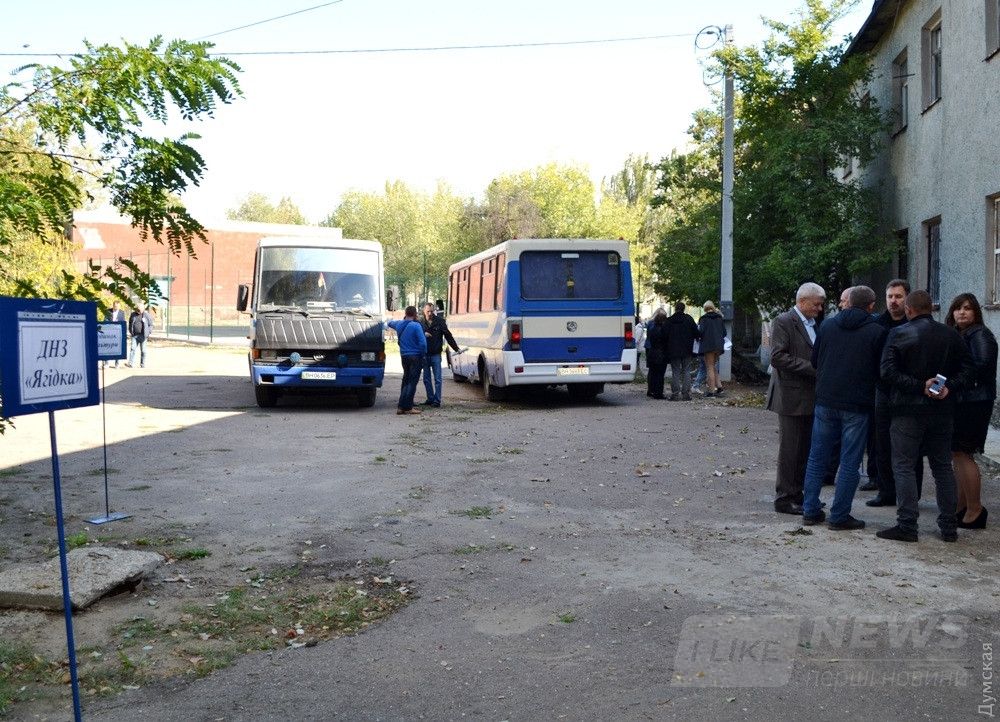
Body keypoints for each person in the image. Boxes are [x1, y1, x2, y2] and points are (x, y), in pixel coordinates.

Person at [876, 290, 974, 543]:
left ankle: (907, 525)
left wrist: (920, 386)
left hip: (906, 410)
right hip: (941, 410)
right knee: (942, 467)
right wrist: (948, 387)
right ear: (931, 308)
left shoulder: (898, 333)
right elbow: (968, 370)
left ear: (908, 310)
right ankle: (949, 526)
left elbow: (887, 372)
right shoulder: (951, 335)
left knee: (904, 466)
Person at [801, 286, 887, 529]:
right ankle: (839, 516)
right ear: (871, 306)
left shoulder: (827, 326)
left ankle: (810, 510)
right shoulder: (877, 332)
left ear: (848, 302)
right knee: (850, 461)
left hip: (826, 400)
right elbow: (882, 370)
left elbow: (815, 361)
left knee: (817, 457)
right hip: (857, 404)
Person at [767, 282, 826, 515]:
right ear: (802, 302)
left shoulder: (812, 323)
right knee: (790, 450)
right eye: (816, 304)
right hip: (790, 396)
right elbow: (777, 357)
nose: (819, 309)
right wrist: (813, 368)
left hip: (808, 395)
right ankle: (784, 497)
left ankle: (798, 494)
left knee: (804, 449)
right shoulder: (784, 321)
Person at [866, 279, 920, 508]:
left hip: (909, 391)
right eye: (890, 297)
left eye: (898, 296)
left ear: (907, 298)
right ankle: (886, 491)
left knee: (911, 444)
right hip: (883, 391)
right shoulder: (877, 325)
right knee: (882, 442)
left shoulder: (916, 325)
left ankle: (912, 493)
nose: (893, 301)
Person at [946, 293, 997, 529]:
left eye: (967, 308)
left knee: (964, 453)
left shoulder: (980, 334)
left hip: (974, 402)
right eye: (958, 308)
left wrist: (953, 379)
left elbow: (981, 365)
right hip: (963, 400)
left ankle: (975, 509)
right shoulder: (961, 334)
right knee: (957, 454)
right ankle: (962, 506)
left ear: (976, 312)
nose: (962, 312)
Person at [387, 306, 428, 415]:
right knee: (412, 382)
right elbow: (423, 343)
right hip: (415, 357)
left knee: (405, 380)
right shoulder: (416, 326)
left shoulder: (399, 324)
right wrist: (423, 354)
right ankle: (408, 407)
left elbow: (389, 323)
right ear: (415, 314)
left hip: (404, 357)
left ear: (405, 313)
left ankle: (401, 407)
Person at [420, 302, 459, 408]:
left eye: (431, 311)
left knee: (438, 379)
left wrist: (456, 348)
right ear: (424, 311)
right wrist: (423, 334)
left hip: (436, 354)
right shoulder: (419, 322)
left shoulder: (440, 321)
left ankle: (437, 401)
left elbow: (448, 335)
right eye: (428, 311)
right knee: (426, 379)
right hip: (424, 355)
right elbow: (415, 335)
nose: (430, 313)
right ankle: (430, 398)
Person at [664, 302, 700, 401]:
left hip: (673, 350)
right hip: (687, 349)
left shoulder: (669, 320)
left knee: (675, 371)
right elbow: (697, 333)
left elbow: (664, 335)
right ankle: (686, 394)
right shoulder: (689, 319)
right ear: (684, 309)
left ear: (675, 309)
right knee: (686, 371)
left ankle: (675, 394)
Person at [697, 301, 726, 397]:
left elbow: (700, 332)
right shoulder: (719, 318)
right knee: (713, 366)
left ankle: (711, 391)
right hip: (719, 346)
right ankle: (719, 387)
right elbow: (724, 333)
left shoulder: (703, 319)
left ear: (705, 308)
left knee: (709, 367)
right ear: (713, 307)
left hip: (708, 345)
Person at [645, 309, 669, 400]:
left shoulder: (651, 327)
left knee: (652, 371)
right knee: (660, 374)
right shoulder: (663, 330)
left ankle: (651, 389)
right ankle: (658, 392)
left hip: (651, 351)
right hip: (660, 353)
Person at [126, 301, 154, 368]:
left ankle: (142, 364)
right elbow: (130, 323)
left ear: (143, 309)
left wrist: (148, 332)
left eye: (140, 309)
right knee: (132, 349)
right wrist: (131, 331)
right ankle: (130, 363)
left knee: (143, 351)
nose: (139, 311)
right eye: (138, 309)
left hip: (143, 336)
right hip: (135, 335)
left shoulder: (147, 315)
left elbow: (151, 325)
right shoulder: (133, 314)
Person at [105, 300, 125, 368]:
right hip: (109, 332)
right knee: (107, 347)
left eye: (118, 306)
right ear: (113, 305)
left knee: (117, 348)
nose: (116, 307)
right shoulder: (108, 311)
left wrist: (118, 322)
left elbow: (123, 322)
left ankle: (117, 363)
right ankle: (106, 363)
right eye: (115, 306)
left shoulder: (122, 312)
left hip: (117, 332)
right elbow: (105, 320)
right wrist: (110, 323)